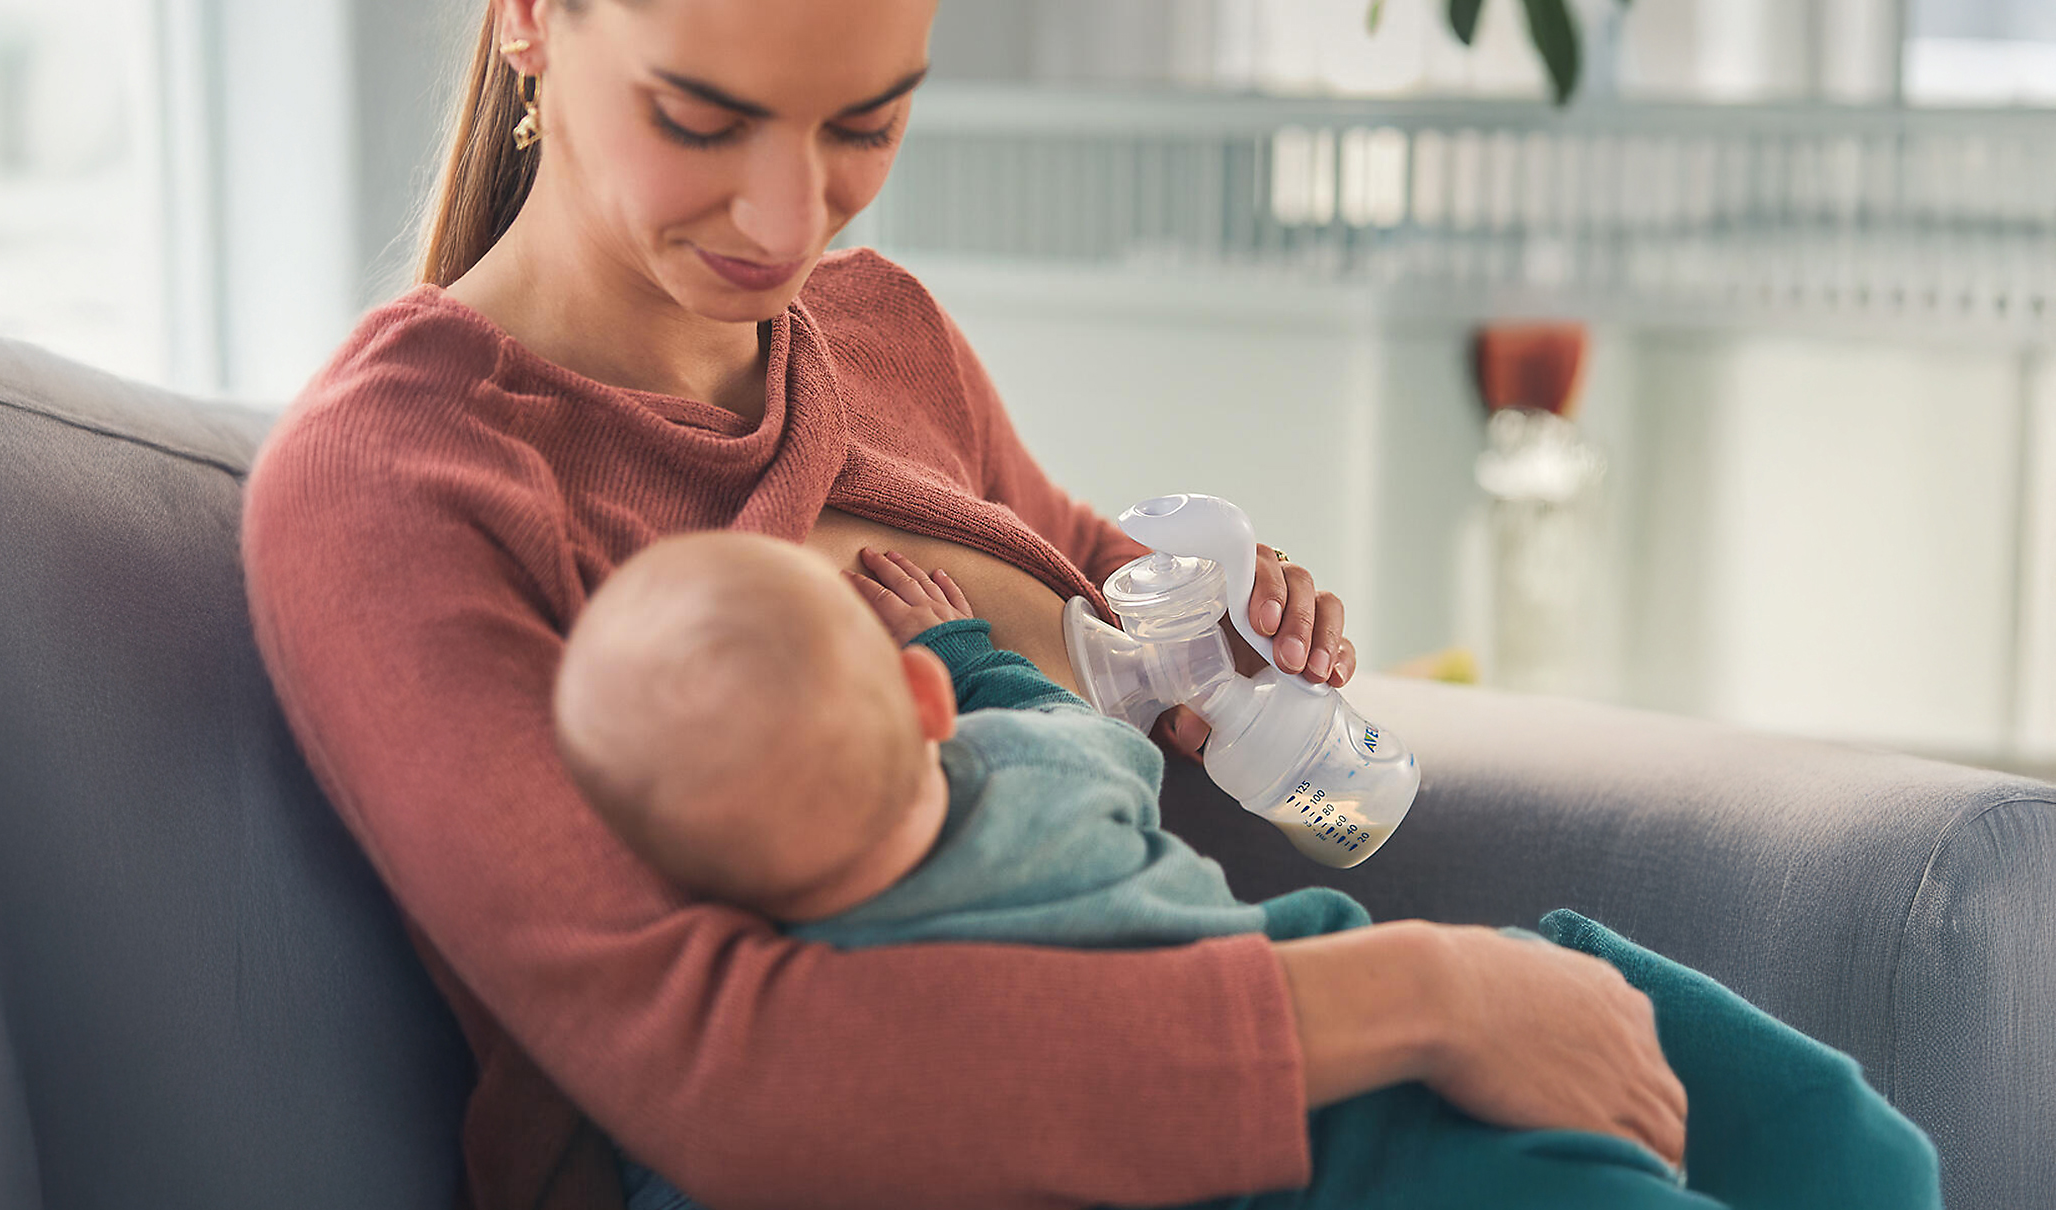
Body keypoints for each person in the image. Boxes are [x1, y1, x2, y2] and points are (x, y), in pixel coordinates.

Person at [242, 1, 1701, 1206]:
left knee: (1809, 1127)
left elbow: (1104, 603)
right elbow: (727, 1079)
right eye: (700, 118)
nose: (786, 215)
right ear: (526, 22)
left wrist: (1224, 621)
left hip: (1214, 1034)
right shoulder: (402, 477)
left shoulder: (885, 333)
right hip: (978, 1148)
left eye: (864, 124)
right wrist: (1427, 995)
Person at [551, 532, 1939, 1210]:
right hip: (1329, 1077)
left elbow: (698, 1145)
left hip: (1305, 1139)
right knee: (1831, 1137)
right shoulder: (1027, 769)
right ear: (921, 711)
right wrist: (968, 646)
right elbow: (1048, 701)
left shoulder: (789, 1001)